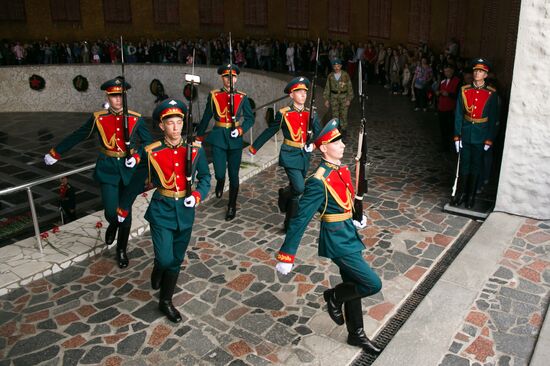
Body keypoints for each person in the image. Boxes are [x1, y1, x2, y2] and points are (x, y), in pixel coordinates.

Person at [275, 119, 382, 353]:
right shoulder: (318, 181)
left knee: (353, 283)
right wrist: (287, 254)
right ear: (324, 148)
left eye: (342, 140)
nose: (343, 145)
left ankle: (357, 334)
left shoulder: (341, 170)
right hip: (337, 240)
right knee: (372, 284)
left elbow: (347, 201)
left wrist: (356, 216)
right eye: (337, 141)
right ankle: (333, 297)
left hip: (348, 233)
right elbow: (299, 219)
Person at [117, 99, 210, 322]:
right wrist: (123, 206)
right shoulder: (152, 152)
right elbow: (137, 181)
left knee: (175, 260)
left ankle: (165, 301)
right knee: (166, 259)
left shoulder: (195, 150)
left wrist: (197, 196)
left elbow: (206, 178)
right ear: (162, 126)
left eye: (179, 122)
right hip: (161, 210)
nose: (176, 127)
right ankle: (159, 267)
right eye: (171, 123)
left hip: (185, 213)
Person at [44, 78, 152, 268]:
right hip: (108, 169)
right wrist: (56, 152)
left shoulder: (135, 118)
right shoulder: (99, 118)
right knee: (112, 211)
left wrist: (136, 157)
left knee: (124, 212)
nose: (117, 100)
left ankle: (121, 250)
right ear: (107, 97)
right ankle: (113, 224)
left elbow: (149, 144)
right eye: (113, 96)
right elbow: (79, 134)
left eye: (120, 96)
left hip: (129, 171)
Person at [248, 77, 321, 231]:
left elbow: (320, 134)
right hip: (290, 155)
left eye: (304, 92)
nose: (303, 95)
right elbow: (270, 131)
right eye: (298, 92)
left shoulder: (311, 113)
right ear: (291, 95)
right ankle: (288, 216)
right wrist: (255, 147)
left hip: (304, 156)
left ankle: (286, 204)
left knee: (296, 190)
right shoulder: (284, 114)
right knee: (300, 188)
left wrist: (314, 145)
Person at [196, 63, 254, 221]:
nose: (229, 79)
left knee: (234, 175)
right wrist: (199, 136)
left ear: (236, 79)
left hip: (235, 139)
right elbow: (207, 116)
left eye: (232, 77)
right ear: (222, 78)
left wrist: (241, 129)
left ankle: (232, 205)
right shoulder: (214, 95)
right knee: (220, 172)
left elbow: (250, 118)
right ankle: (220, 182)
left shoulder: (242, 97)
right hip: (218, 137)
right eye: (226, 77)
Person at [452, 58, 498, 208]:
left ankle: (471, 197)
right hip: (465, 134)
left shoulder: (491, 93)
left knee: (476, 166)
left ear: (486, 75)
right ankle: (461, 194)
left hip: (481, 135)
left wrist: (489, 139)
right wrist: (457, 135)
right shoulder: (464, 90)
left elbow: (493, 118)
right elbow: (459, 114)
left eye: (481, 71)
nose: (477, 73)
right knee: (464, 165)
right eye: (476, 71)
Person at [323, 58, 353, 137]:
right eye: (335, 66)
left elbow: (350, 87)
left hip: (344, 97)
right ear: (333, 67)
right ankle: (336, 131)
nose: (336, 68)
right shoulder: (330, 76)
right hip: (334, 97)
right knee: (334, 114)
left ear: (341, 66)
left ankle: (343, 131)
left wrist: (349, 99)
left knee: (344, 114)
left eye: (338, 66)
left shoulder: (345, 75)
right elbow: (327, 88)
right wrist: (326, 99)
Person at [436, 64, 461, 152]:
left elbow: (458, 96)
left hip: (451, 109)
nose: (447, 73)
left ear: (452, 71)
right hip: (441, 108)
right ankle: (444, 146)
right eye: (445, 71)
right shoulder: (443, 81)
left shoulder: (457, 81)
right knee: (442, 128)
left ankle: (451, 147)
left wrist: (449, 94)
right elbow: (438, 90)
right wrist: (438, 93)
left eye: (449, 71)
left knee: (450, 129)